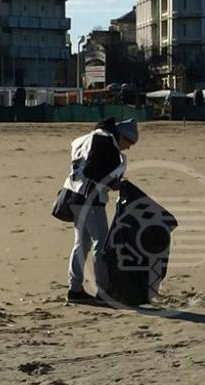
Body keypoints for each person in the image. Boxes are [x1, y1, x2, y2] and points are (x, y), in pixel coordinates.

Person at [63, 117, 138, 304]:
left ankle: (75, 289)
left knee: (81, 244)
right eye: (128, 142)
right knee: (101, 245)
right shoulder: (105, 141)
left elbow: (85, 166)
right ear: (121, 136)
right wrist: (113, 184)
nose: (128, 147)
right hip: (91, 199)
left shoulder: (88, 138)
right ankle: (103, 291)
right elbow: (91, 171)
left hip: (74, 195)